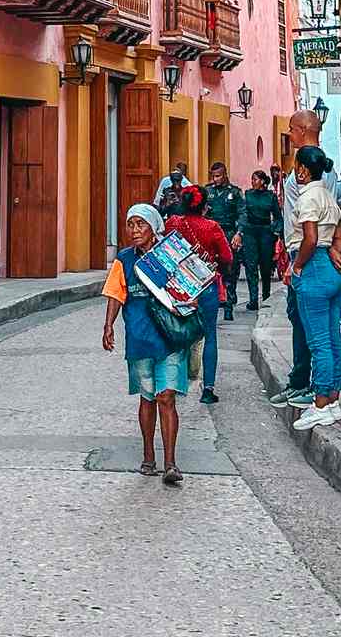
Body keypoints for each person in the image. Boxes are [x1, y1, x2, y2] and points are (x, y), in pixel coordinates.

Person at [101, 202, 188, 485]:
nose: (135, 230)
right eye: (131, 224)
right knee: (147, 397)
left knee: (167, 397)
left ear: (154, 229)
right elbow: (116, 294)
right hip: (139, 337)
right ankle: (148, 455)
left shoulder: (171, 255)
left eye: (141, 224)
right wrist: (108, 325)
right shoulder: (124, 260)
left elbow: (190, 286)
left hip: (171, 337)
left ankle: (171, 463)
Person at [269, 109, 341, 409]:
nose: (289, 135)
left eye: (291, 129)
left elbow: (315, 231)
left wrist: (299, 263)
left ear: (302, 130)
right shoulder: (323, 172)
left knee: (313, 331)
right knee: (324, 331)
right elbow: (336, 216)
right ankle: (325, 390)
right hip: (314, 252)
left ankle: (315, 391)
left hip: (309, 254)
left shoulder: (311, 174)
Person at [290, 145, 341, 430]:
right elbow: (340, 237)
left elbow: (309, 238)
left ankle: (321, 402)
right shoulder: (328, 195)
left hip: (313, 266)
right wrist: (334, 251)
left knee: (318, 341)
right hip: (332, 266)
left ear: (302, 169)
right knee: (333, 337)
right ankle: (334, 397)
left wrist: (297, 265)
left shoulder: (308, 197)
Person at [164, 184, 233, 404]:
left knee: (177, 332)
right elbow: (227, 257)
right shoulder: (212, 227)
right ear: (204, 206)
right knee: (210, 335)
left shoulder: (173, 224)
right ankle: (208, 389)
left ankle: (174, 381)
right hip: (206, 286)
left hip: (179, 287)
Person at [203, 160, 246, 320]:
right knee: (211, 268)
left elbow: (243, 213)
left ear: (225, 174)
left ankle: (229, 303)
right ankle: (216, 299)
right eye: (213, 176)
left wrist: (239, 233)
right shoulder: (207, 191)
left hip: (228, 233)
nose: (215, 179)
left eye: (218, 176)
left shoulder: (234, 192)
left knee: (230, 268)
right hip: (211, 233)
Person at [238, 169, 282, 309]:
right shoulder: (248, 195)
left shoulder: (270, 196)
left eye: (255, 179)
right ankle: (253, 299)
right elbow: (243, 213)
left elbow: (277, 217)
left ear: (263, 181)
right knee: (251, 266)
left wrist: (275, 232)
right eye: (252, 179)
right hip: (251, 232)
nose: (253, 182)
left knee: (265, 266)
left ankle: (266, 295)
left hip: (265, 232)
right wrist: (241, 230)